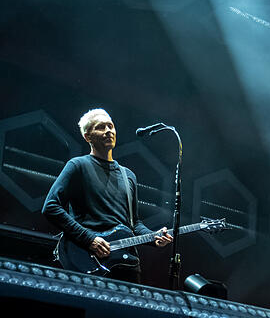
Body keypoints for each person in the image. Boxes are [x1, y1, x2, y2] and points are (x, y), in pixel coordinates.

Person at [42, 109, 173, 283]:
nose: (108, 131)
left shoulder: (129, 176)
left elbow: (134, 223)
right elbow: (51, 207)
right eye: (100, 127)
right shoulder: (78, 166)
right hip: (86, 258)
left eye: (110, 126)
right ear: (88, 137)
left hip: (126, 263)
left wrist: (153, 236)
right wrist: (89, 239)